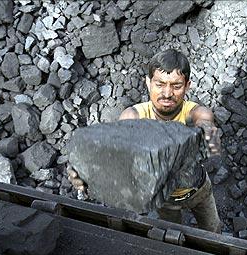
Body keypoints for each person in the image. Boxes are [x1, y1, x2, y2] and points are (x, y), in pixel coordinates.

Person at [69, 49, 222, 233]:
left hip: (199, 190)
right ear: (148, 83)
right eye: (160, 84)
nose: (167, 93)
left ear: (187, 86)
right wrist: (85, 172)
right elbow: (115, 154)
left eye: (176, 86)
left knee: (213, 231)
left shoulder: (194, 112)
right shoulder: (133, 116)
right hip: (164, 200)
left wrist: (208, 133)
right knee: (174, 234)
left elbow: (207, 125)